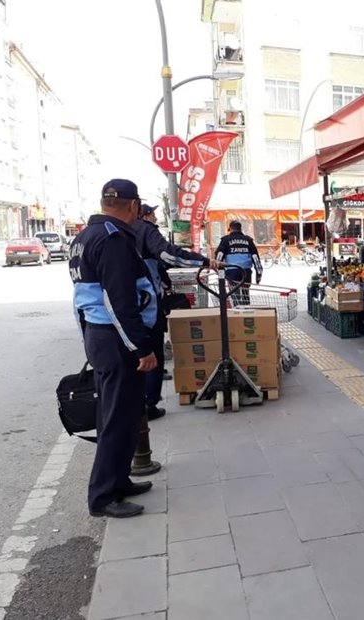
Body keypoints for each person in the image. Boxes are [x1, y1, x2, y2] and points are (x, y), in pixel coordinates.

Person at [68, 179, 158, 519]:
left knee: (122, 414)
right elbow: (119, 300)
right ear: (134, 206)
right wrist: (140, 348)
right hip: (116, 338)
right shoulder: (113, 239)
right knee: (117, 418)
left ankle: (119, 481)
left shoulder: (84, 237)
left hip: (102, 336)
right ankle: (104, 495)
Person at [134, 204, 223, 420]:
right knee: (151, 353)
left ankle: (132, 404)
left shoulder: (108, 232)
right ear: (137, 210)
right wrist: (204, 261)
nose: (155, 216)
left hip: (115, 309)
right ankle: (148, 405)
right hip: (146, 304)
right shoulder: (145, 229)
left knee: (132, 355)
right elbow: (168, 255)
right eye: (152, 213)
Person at [215, 221, 262, 305]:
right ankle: (246, 311)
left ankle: (237, 312)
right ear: (240, 229)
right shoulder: (248, 240)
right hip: (246, 271)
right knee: (245, 294)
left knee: (234, 294)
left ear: (230, 229)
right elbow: (255, 258)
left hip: (232, 271)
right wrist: (259, 274)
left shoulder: (225, 240)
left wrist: (218, 269)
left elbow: (219, 256)